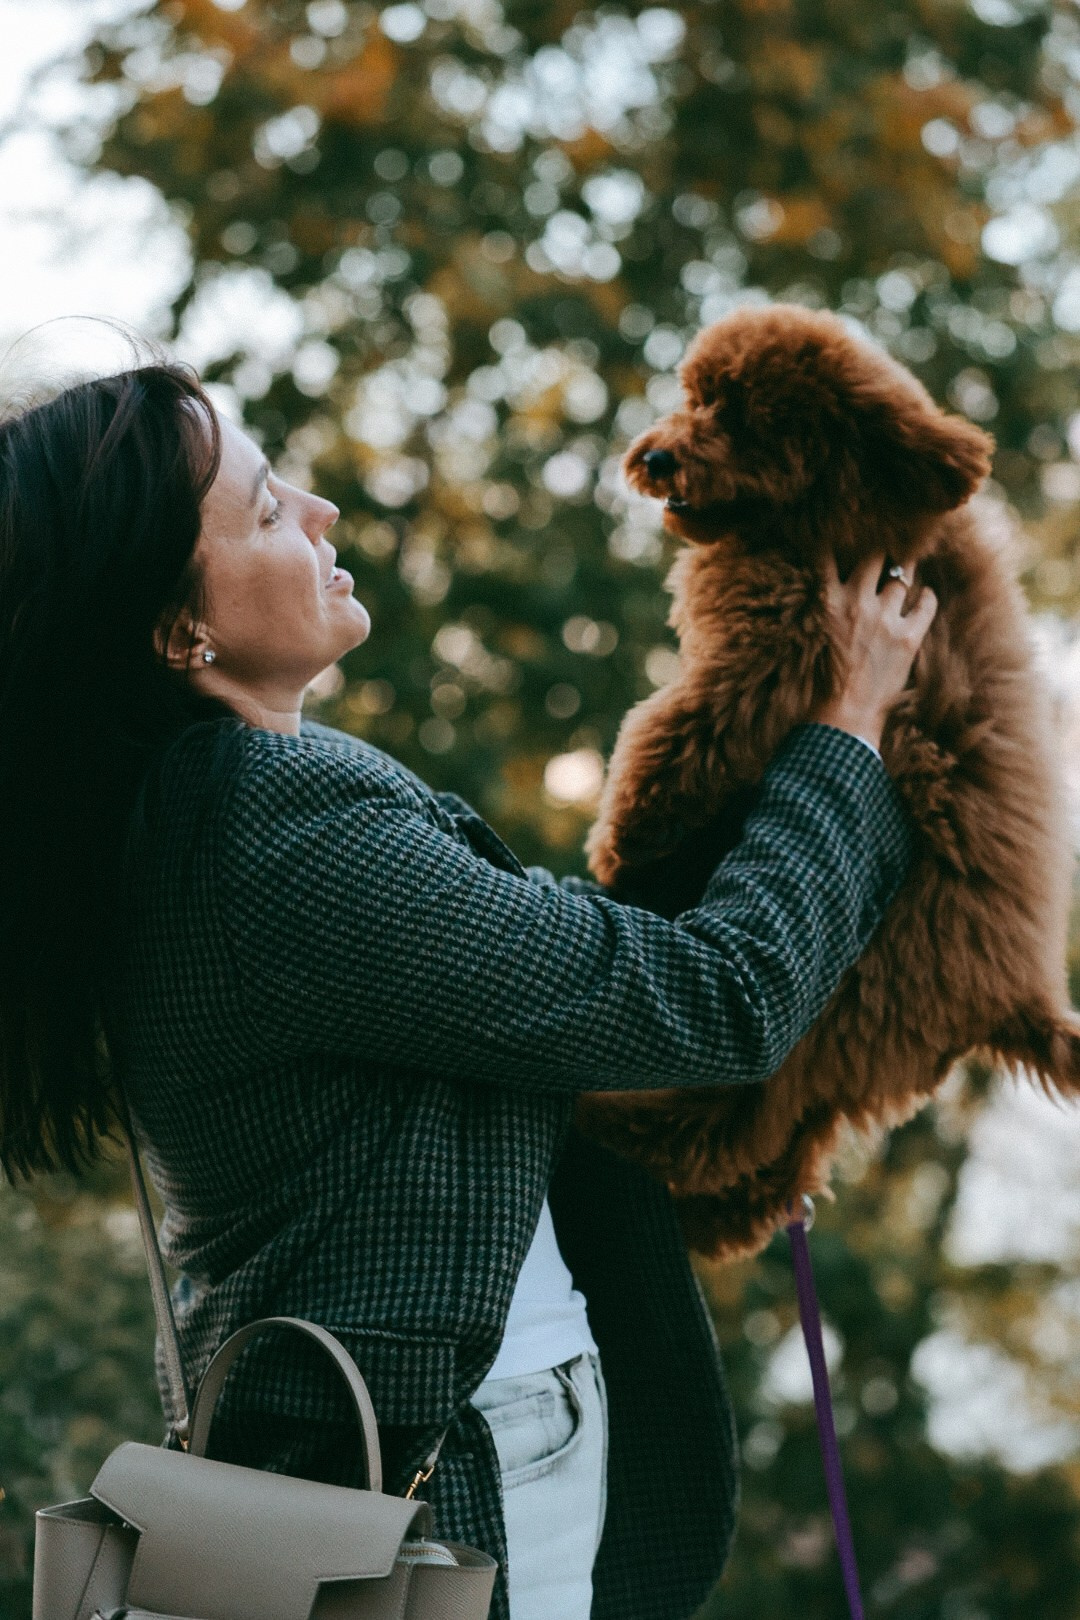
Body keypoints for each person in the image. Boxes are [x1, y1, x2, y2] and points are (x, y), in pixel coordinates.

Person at [0, 357, 935, 1620]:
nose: (322, 513)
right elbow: (717, 996)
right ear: (181, 632)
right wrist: (851, 724)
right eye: (268, 511)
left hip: (390, 1461)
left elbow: (556, 975)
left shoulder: (194, 820)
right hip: (463, 1479)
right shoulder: (273, 831)